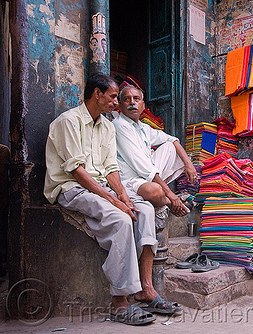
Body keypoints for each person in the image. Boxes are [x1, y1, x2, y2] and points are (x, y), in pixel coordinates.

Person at [44, 73, 180, 326]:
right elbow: (77, 171)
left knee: (145, 211)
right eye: (114, 96)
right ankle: (119, 303)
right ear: (97, 94)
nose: (116, 102)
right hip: (72, 188)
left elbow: (111, 168)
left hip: (102, 186)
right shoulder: (69, 122)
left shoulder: (106, 125)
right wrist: (114, 201)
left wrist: (122, 195)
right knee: (120, 220)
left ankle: (146, 289)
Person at [113, 86, 197, 218]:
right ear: (120, 105)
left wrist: (189, 164)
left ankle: (163, 197)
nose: (132, 103)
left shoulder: (143, 128)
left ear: (143, 105)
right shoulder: (120, 125)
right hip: (130, 180)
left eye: (136, 99)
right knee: (156, 191)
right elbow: (143, 166)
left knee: (170, 146)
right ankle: (167, 203)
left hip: (146, 176)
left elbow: (173, 139)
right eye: (126, 99)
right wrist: (171, 195)